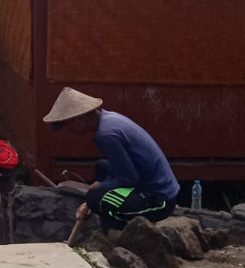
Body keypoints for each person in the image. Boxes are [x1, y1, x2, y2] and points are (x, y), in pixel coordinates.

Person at [43, 88, 180, 233]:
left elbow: (129, 178)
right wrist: (103, 185)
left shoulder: (106, 135)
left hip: (159, 200)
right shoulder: (109, 118)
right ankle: (108, 224)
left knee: (95, 199)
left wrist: (100, 187)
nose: (69, 130)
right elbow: (122, 170)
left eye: (68, 125)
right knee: (101, 167)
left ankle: (117, 234)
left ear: (78, 119)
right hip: (146, 181)